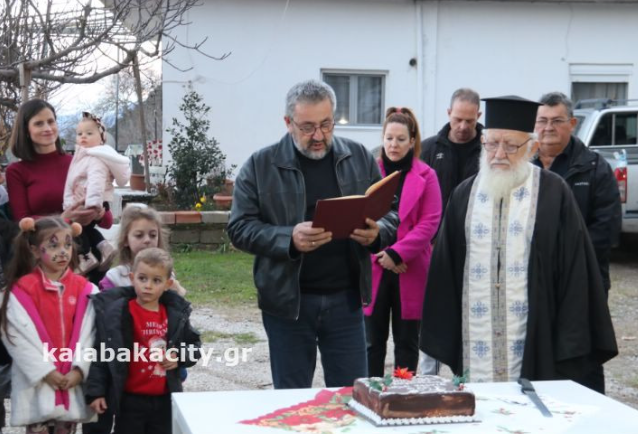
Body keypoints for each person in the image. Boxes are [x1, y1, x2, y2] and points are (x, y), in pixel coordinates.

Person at [419, 95, 618, 392]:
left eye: (510, 145)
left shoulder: (553, 193)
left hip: (537, 333)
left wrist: (568, 336)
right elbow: (445, 270)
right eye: (491, 144)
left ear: (531, 148)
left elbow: (576, 269)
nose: (499, 154)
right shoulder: (464, 195)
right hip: (476, 336)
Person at [227, 79, 399, 389]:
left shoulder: (358, 156)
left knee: (351, 397)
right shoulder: (260, 165)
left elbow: (391, 212)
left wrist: (377, 234)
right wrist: (287, 239)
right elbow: (239, 228)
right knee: (292, 400)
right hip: (288, 305)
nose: (318, 135)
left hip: (346, 300)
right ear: (287, 122)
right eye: (307, 127)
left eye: (326, 124)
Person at [534, 91, 622, 393]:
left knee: (580, 354)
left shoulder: (594, 168)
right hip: (535, 282)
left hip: (584, 283)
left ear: (571, 123)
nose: (548, 127)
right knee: (539, 353)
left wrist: (564, 260)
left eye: (557, 121)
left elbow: (606, 229)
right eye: (542, 121)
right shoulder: (524, 168)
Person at [86, 248, 201, 434]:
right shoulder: (117, 313)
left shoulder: (174, 313)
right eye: (142, 278)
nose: (148, 285)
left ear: (167, 284)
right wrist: (96, 392)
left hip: (165, 398)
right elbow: (101, 354)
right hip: (129, 399)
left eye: (156, 280)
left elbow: (194, 346)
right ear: (132, 278)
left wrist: (179, 357)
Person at [0, 216, 98, 433]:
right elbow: (17, 337)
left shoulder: (85, 290)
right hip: (36, 383)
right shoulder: (22, 291)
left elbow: (90, 334)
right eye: (53, 245)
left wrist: (79, 370)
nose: (62, 251)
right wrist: (45, 371)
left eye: (67, 244)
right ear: (35, 250)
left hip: (71, 380)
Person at [364, 107, 441, 376]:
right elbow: (360, 219)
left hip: (410, 268)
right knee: (371, 342)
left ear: (412, 141)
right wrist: (383, 254)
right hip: (375, 267)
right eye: (388, 138)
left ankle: (402, 396)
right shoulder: (369, 172)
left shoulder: (427, 175)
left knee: (407, 341)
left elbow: (430, 222)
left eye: (400, 139)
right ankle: (370, 393)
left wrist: (398, 254)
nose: (393, 145)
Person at [6, 99, 114, 284]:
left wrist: (98, 212)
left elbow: (107, 222)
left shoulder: (80, 162)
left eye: (51, 121)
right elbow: (22, 223)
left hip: (85, 264)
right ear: (26, 130)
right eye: (39, 123)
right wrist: (65, 218)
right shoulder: (16, 171)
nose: (47, 128)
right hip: (43, 264)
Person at [64, 112, 130, 274]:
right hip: (88, 200)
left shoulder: (95, 157)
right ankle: (104, 246)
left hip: (92, 200)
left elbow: (96, 180)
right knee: (86, 229)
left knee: (77, 228)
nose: (83, 137)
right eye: (80, 134)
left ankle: (85, 256)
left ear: (101, 138)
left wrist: (92, 204)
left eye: (89, 133)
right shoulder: (83, 157)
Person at [420, 88, 483, 215]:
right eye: (458, 119)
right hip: (435, 229)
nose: (463, 126)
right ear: (449, 113)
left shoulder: (489, 150)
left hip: (475, 228)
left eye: (469, 121)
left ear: (478, 116)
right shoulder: (427, 149)